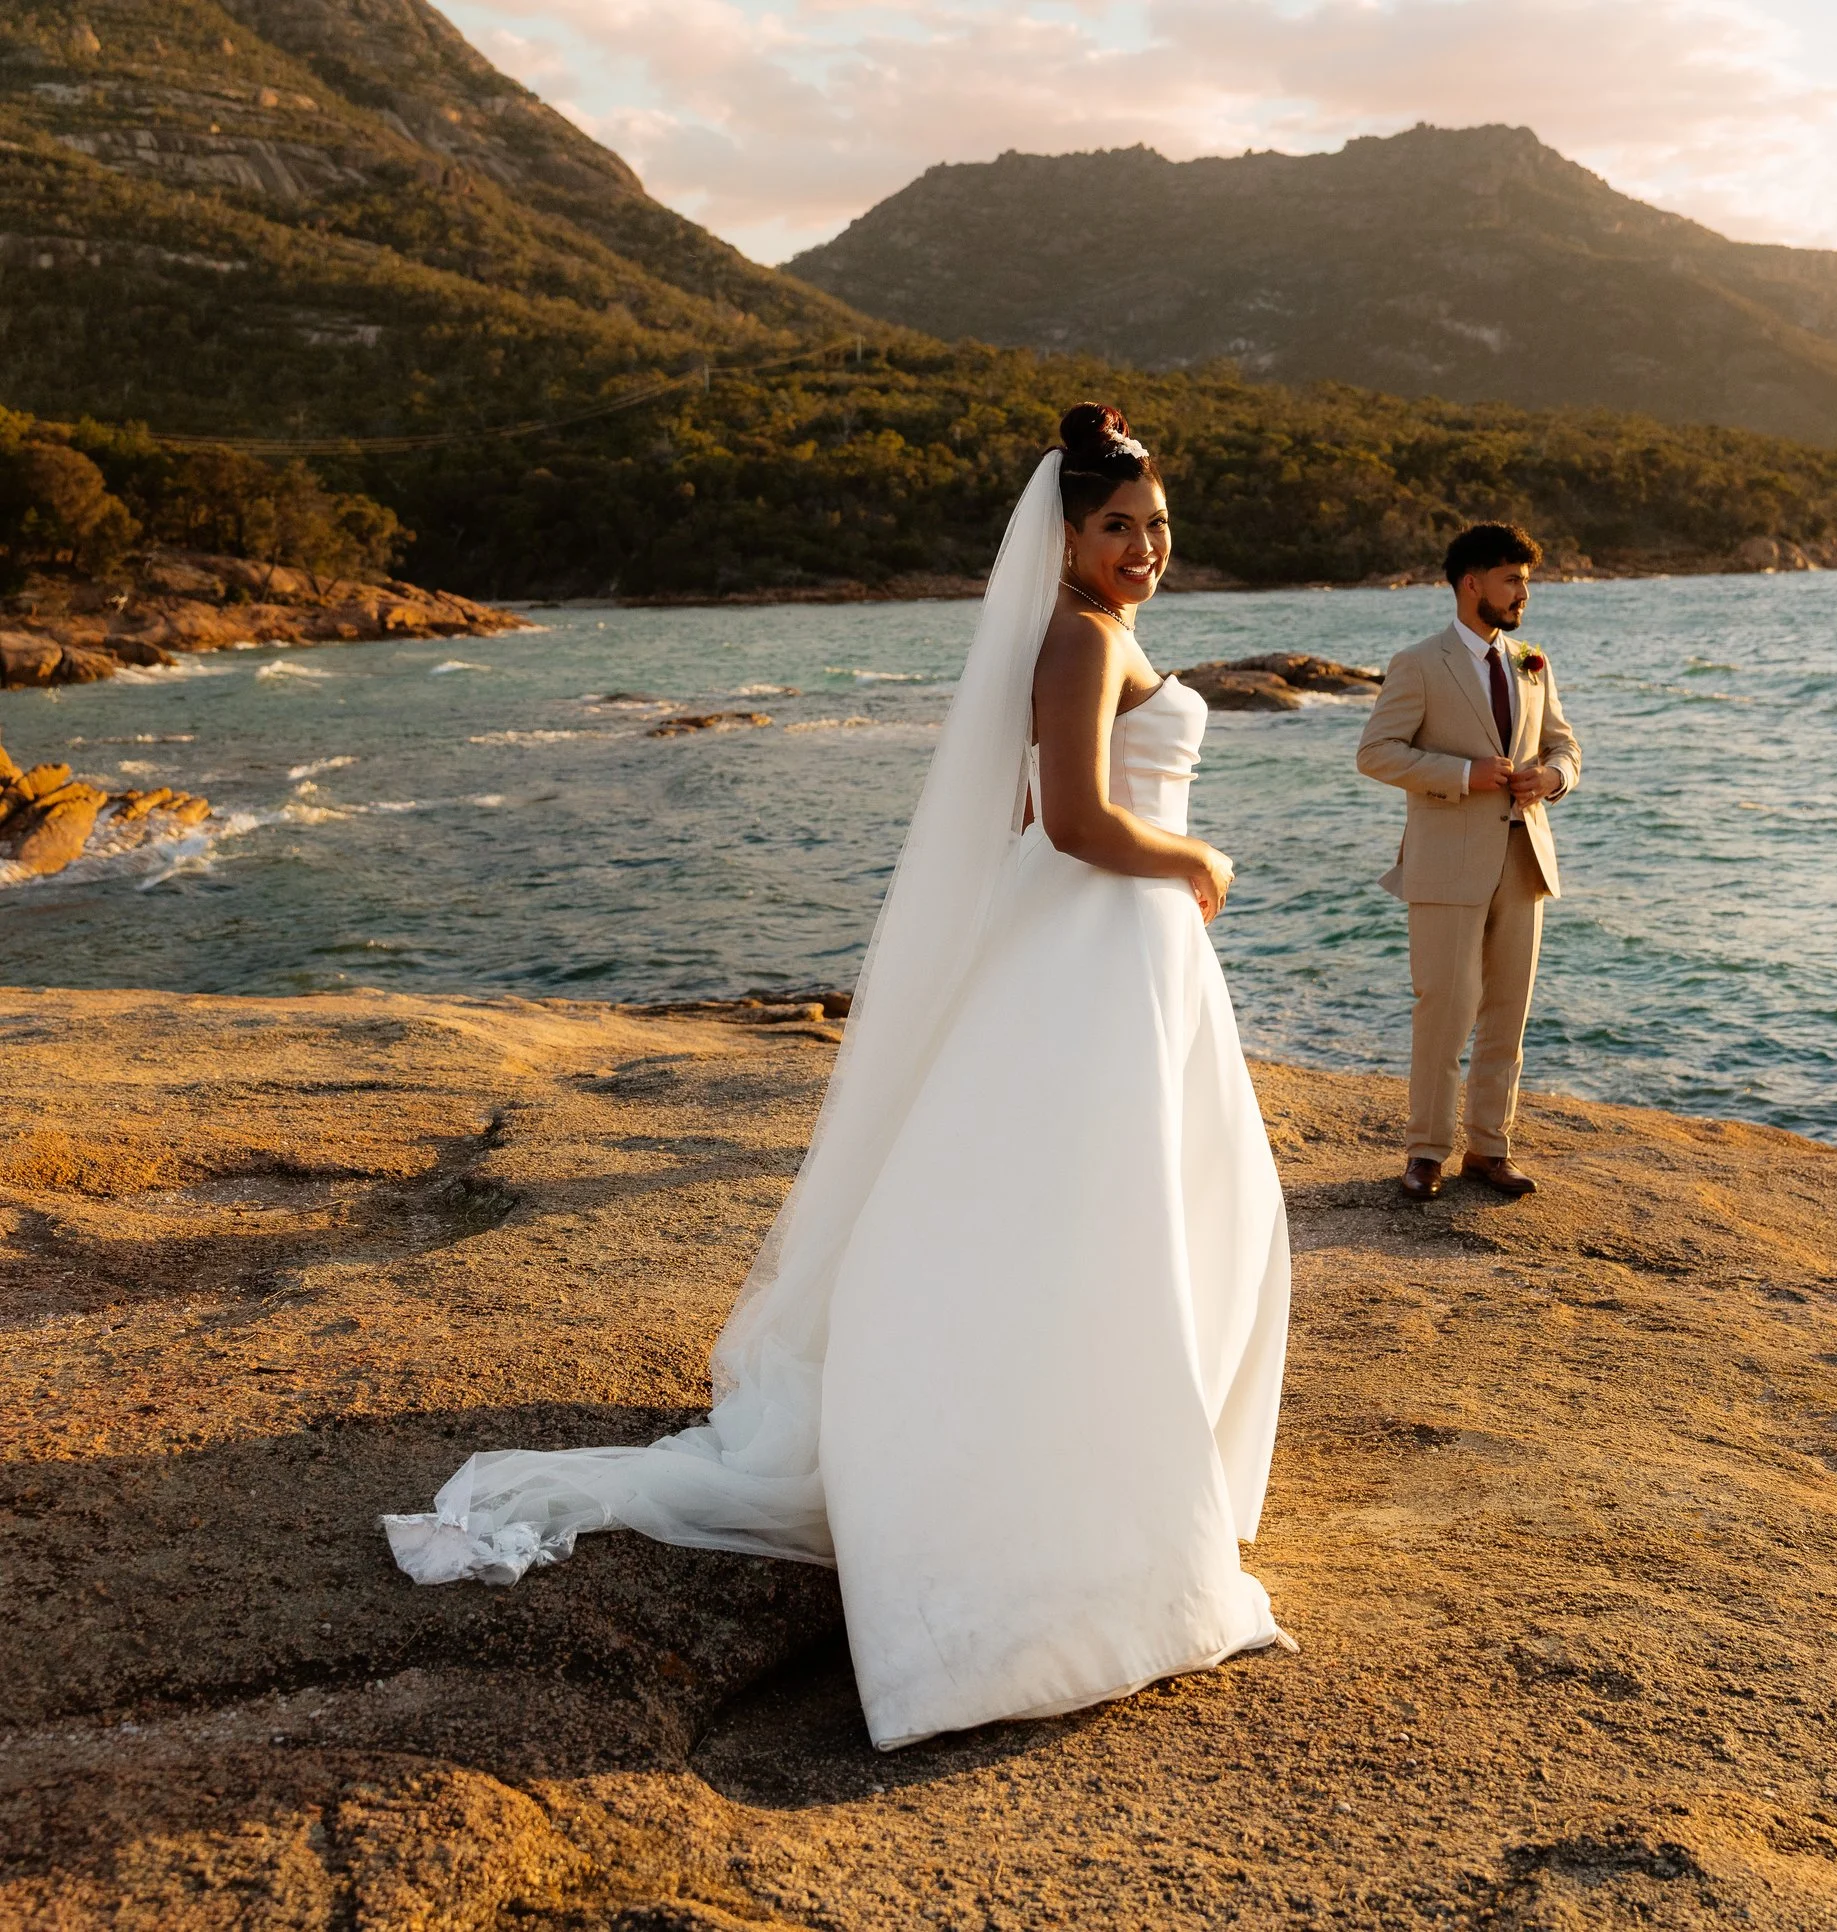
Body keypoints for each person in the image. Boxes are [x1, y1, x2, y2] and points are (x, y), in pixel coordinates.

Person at [384, 405, 1294, 1751]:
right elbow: (1079, 819)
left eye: (1156, 524)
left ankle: (1149, 1455)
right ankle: (1074, 1499)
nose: (1145, 546)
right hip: (1106, 941)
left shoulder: (1101, 630)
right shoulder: (1076, 637)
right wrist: (1198, 862)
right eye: (1118, 526)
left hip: (1120, 959)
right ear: (1065, 538)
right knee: (1107, 1213)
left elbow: (1030, 821)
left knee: (1165, 1201)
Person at [1356, 523, 1582, 1202]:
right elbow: (1377, 752)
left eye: (1526, 582)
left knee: (1507, 1014)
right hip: (1446, 863)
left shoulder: (1532, 661)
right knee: (1445, 1010)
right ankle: (1426, 1151)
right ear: (1471, 583)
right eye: (1512, 580)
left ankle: (1489, 1149)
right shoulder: (1419, 663)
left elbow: (1564, 745)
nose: (1523, 595)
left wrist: (1554, 779)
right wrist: (1463, 773)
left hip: (1524, 858)